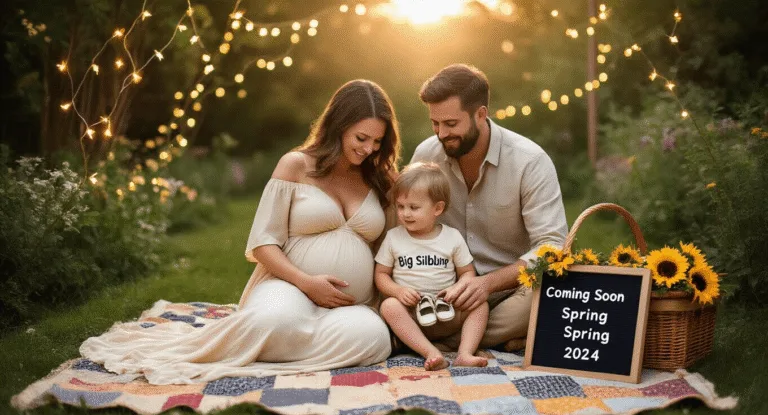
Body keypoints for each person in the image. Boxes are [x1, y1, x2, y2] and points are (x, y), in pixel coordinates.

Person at [79, 79, 400, 384]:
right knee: (274, 322)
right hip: (290, 286)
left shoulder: (380, 180)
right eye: (361, 138)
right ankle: (277, 341)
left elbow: (396, 246)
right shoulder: (297, 165)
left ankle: (268, 351)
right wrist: (307, 283)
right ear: (339, 125)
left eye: (377, 141)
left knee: (372, 339)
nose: (369, 149)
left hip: (350, 304)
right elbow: (263, 243)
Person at [410, 64, 569, 350]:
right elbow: (406, 215)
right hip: (446, 290)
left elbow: (553, 245)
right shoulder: (426, 156)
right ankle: (493, 338)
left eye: (451, 124)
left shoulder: (529, 161)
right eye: (436, 123)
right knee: (401, 304)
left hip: (511, 290)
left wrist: (488, 284)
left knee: (547, 294)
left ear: (480, 115)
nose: (442, 133)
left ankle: (438, 341)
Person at [375, 162, 489, 370]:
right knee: (388, 306)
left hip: (447, 312)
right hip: (412, 315)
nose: (405, 214)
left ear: (438, 208)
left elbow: (467, 273)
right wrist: (398, 291)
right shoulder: (394, 238)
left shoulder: (451, 237)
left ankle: (465, 353)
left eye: (414, 207)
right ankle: (431, 352)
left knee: (480, 304)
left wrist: (457, 289)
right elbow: (381, 274)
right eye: (400, 206)